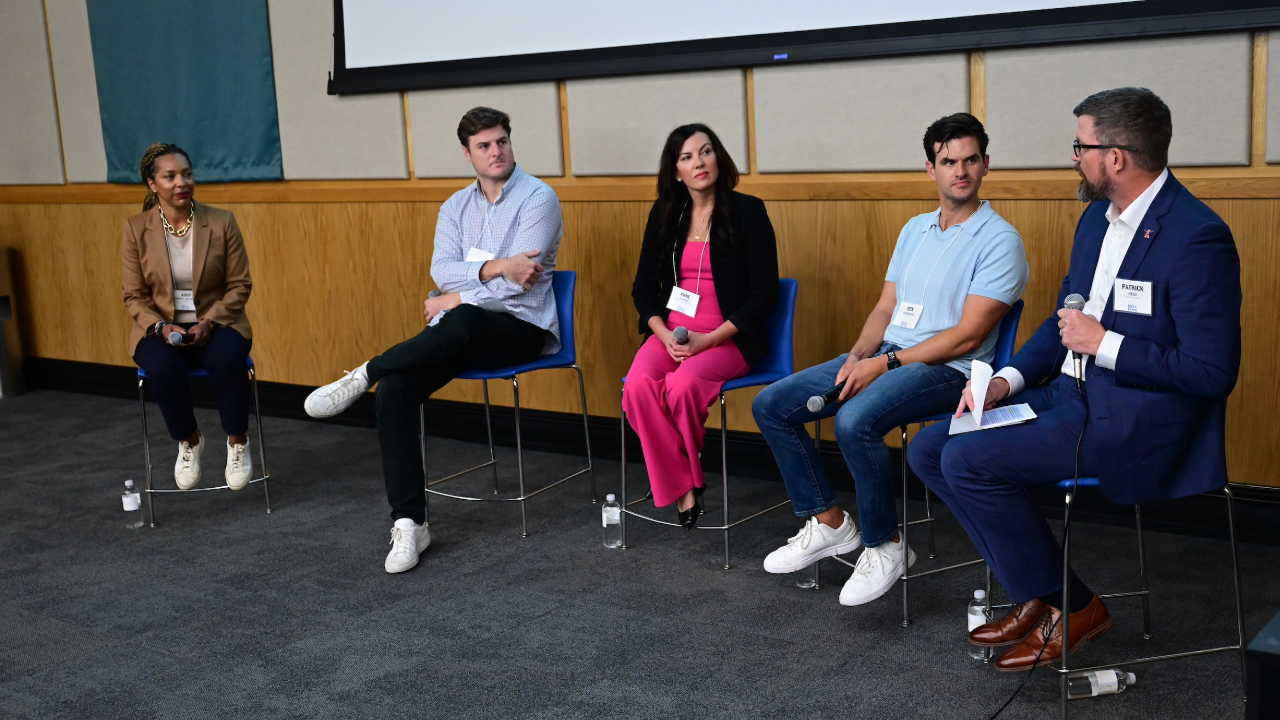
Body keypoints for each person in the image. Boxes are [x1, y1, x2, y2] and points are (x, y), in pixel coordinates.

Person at [908, 88, 1241, 672]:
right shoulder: (1095, 219)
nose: (1074, 157)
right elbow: (1064, 318)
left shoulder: (1196, 235)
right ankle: (1039, 595)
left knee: (968, 461)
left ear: (1116, 157)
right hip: (1068, 396)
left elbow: (1212, 372)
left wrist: (1104, 343)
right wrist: (1006, 382)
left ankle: (1075, 605)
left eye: (1080, 146)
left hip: (1135, 415)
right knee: (933, 448)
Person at [752, 114, 1029, 607]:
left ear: (986, 164)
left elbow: (967, 337)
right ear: (931, 169)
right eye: (948, 161)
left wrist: (883, 365)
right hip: (887, 356)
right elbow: (886, 307)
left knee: (855, 421)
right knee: (774, 403)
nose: (959, 171)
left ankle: (887, 545)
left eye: (970, 160)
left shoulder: (1000, 240)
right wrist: (858, 355)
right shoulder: (914, 230)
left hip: (949, 372)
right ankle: (829, 522)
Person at [304, 107, 563, 574]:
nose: (496, 151)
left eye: (501, 141)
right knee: (398, 391)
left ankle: (366, 371)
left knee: (460, 319)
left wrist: (458, 297)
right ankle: (410, 522)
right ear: (467, 154)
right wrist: (495, 267)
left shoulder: (539, 199)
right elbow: (440, 271)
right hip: (461, 331)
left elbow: (521, 281)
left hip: (520, 328)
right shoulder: (454, 207)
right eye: (484, 146)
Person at [625, 124, 779, 529]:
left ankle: (682, 484)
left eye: (706, 151)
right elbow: (642, 288)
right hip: (671, 332)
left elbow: (765, 294)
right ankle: (685, 483)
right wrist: (663, 335)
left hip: (726, 336)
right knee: (637, 387)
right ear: (676, 171)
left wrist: (709, 339)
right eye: (687, 157)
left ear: (718, 157)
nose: (699, 163)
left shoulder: (748, 210)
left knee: (681, 388)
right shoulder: (665, 214)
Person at [121, 143, 255, 491]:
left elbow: (240, 284)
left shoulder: (222, 221)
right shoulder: (137, 229)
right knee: (162, 368)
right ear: (153, 184)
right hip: (159, 327)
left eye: (187, 174)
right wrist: (161, 326)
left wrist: (209, 321)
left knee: (228, 359)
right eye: (170, 176)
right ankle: (190, 440)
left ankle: (237, 441)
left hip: (218, 321)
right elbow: (134, 295)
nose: (182, 182)